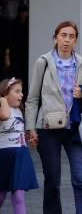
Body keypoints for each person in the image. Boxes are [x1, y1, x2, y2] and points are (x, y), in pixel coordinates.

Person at [25, 21, 82, 214]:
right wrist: (30, 128)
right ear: (55, 38)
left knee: (80, 178)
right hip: (48, 128)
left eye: (71, 36)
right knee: (53, 179)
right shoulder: (43, 62)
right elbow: (32, 98)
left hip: (75, 128)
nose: (67, 40)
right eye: (63, 35)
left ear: (75, 41)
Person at [0, 78, 38, 214]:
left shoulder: (19, 111)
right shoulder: (2, 109)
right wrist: (2, 100)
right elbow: (5, 116)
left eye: (21, 92)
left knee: (18, 196)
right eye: (17, 91)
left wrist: (29, 138)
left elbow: (18, 132)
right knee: (1, 195)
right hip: (3, 158)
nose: (21, 95)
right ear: (5, 94)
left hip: (20, 156)